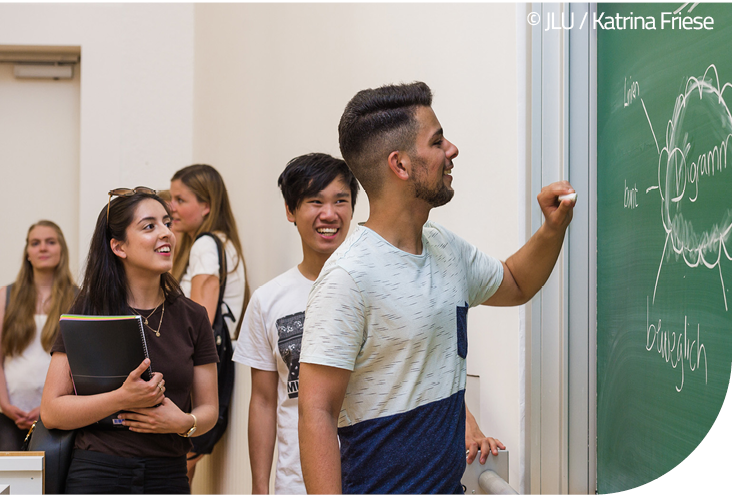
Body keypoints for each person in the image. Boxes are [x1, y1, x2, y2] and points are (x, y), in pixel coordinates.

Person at [298, 82, 575, 493]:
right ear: (401, 164)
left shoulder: (446, 247)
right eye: (438, 141)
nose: (452, 151)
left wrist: (553, 229)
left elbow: (515, 283)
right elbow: (316, 412)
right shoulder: (347, 278)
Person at [237, 153, 504, 493]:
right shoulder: (267, 299)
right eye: (314, 202)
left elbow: (422, 369)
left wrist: (469, 425)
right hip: (296, 483)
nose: (329, 214)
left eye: (340, 201)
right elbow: (262, 401)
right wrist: (259, 487)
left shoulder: (385, 280)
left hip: (375, 477)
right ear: (291, 211)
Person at [40, 188, 219, 494]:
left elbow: (209, 411)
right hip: (96, 473)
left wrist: (182, 422)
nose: (165, 233)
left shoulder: (194, 316)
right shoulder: (88, 310)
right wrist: (123, 398)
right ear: (118, 246)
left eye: (167, 223)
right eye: (149, 226)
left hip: (169, 475)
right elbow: (52, 411)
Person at [168, 164, 250, 480]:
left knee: (177, 469)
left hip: (197, 375)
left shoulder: (205, 245)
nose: (171, 207)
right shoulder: (223, 243)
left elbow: (200, 321)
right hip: (214, 371)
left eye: (180, 199)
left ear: (206, 205)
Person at [0, 220, 76, 450]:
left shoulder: (78, 298)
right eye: (35, 243)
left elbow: (80, 367)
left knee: (48, 483)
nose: (43, 248)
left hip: (58, 414)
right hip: (10, 415)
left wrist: (47, 408)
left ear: (61, 249)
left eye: (50, 242)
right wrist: (4, 404)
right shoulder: (6, 295)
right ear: (28, 253)